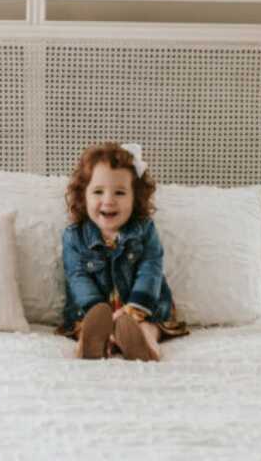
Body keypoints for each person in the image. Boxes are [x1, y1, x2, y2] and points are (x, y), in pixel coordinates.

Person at [59, 142, 187, 362]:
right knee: (85, 326)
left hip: (142, 307)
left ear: (135, 198)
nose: (108, 200)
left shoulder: (144, 230)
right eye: (98, 191)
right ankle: (89, 344)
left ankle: (146, 345)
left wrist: (134, 310)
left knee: (149, 326)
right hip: (91, 311)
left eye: (119, 192)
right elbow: (77, 276)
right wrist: (97, 311)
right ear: (83, 195)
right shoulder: (74, 236)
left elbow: (151, 269)